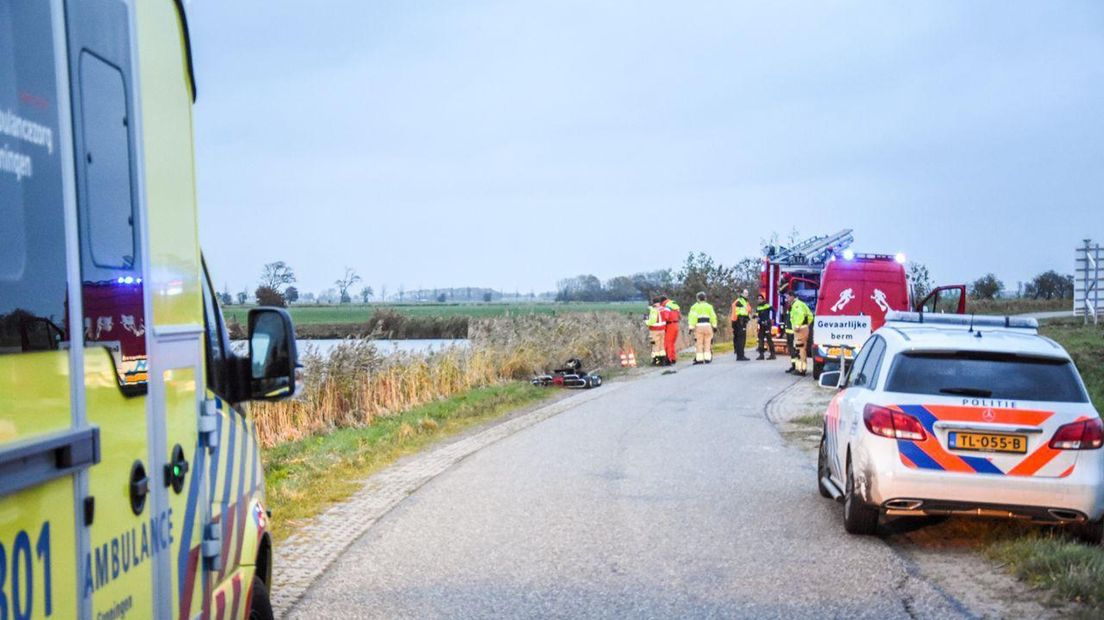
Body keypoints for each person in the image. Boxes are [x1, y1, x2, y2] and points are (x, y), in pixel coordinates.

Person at [687, 291, 718, 364]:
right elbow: (713, 317)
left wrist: (691, 327)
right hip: (708, 326)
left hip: (699, 327)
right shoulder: (709, 306)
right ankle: (707, 358)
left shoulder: (694, 307)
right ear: (705, 298)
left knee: (699, 343)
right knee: (708, 342)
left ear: (698, 299)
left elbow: (693, 318)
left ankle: (699, 359)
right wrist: (714, 326)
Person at [788, 294, 814, 375]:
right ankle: (801, 368)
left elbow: (800, 316)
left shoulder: (797, 305)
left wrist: (798, 325)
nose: (787, 299)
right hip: (802, 328)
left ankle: (801, 370)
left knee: (800, 350)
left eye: (788, 297)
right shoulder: (799, 304)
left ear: (792, 297)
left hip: (800, 330)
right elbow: (810, 316)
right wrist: (806, 325)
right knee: (800, 349)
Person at [645, 296, 668, 366]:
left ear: (653, 303)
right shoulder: (664, 309)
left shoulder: (654, 310)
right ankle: (663, 360)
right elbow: (667, 318)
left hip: (654, 330)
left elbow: (652, 321)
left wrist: (646, 321)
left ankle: (656, 361)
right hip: (663, 330)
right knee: (662, 346)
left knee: (655, 346)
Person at [730, 288, 751, 361]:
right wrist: (744, 317)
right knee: (741, 339)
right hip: (739, 321)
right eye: (745, 293)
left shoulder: (744, 301)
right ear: (741, 294)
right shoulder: (740, 301)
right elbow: (740, 312)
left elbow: (749, 309)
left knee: (740, 338)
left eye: (747, 293)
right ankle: (740, 355)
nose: (747, 295)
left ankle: (740, 354)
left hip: (739, 321)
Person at [755, 293, 776, 360]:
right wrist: (756, 317)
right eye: (758, 299)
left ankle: (773, 355)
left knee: (769, 339)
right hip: (761, 325)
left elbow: (774, 311)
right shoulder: (758, 307)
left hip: (767, 324)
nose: (759, 300)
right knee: (760, 339)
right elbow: (757, 315)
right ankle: (761, 355)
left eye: (760, 299)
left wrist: (773, 319)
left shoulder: (767, 305)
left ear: (763, 299)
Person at [662, 296, 681, 365]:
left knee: (668, 342)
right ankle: (673, 358)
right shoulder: (675, 305)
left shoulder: (666, 307)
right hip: (676, 325)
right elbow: (680, 317)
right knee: (672, 343)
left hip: (670, 325)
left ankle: (668, 359)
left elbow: (666, 318)